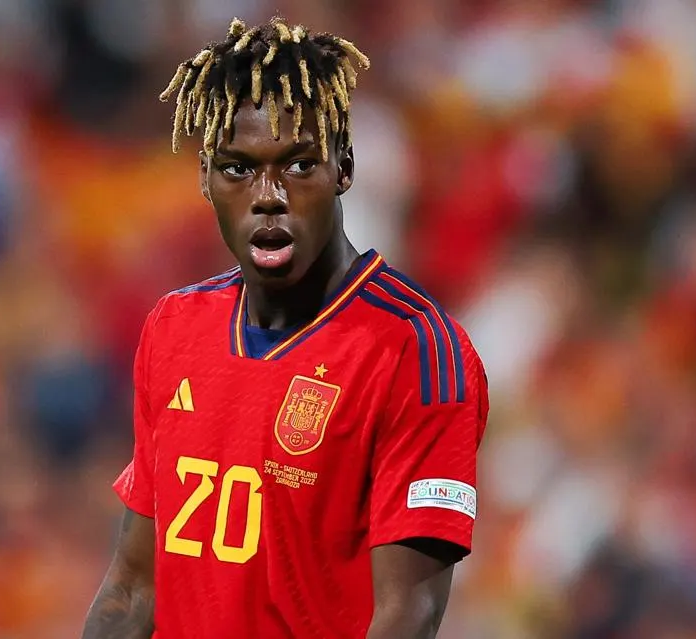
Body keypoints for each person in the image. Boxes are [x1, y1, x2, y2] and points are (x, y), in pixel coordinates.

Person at [81, 16, 488, 639]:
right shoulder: (174, 327)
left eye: (297, 166)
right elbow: (134, 587)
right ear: (205, 177)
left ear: (343, 167)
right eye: (238, 168)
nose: (268, 195)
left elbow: (410, 613)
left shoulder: (417, 350)